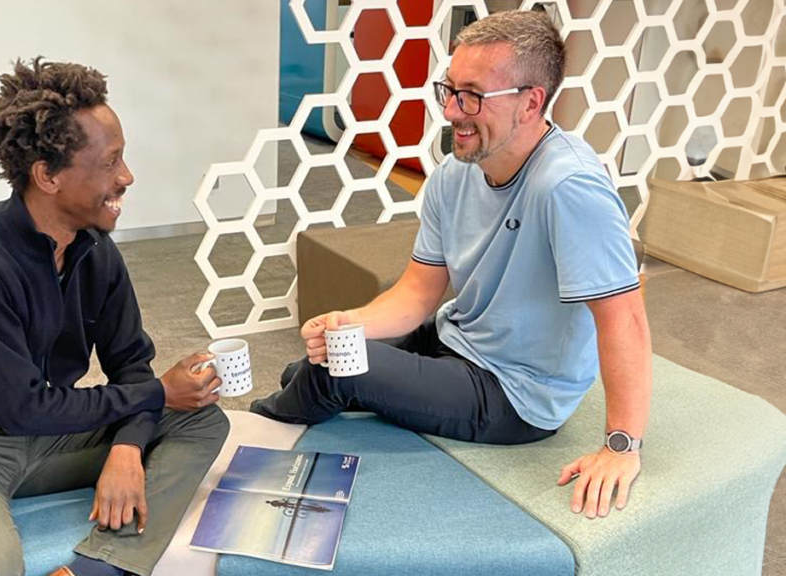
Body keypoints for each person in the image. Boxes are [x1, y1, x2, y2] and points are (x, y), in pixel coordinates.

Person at [251, 10, 652, 520]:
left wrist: (621, 447)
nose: (453, 111)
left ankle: (240, 436)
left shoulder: (569, 187)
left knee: (335, 373)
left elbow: (625, 319)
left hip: (514, 393)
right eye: (450, 90)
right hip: (457, 339)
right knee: (314, 359)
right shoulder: (455, 174)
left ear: (531, 102)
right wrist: (348, 323)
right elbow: (418, 292)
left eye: (473, 96)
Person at [0, 57, 229, 576]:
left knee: (200, 416)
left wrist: (128, 447)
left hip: (43, 434)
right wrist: (156, 395)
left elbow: (132, 366)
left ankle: (99, 569)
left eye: (124, 158)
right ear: (47, 176)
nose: (127, 177)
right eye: (110, 163)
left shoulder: (95, 250)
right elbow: (24, 407)